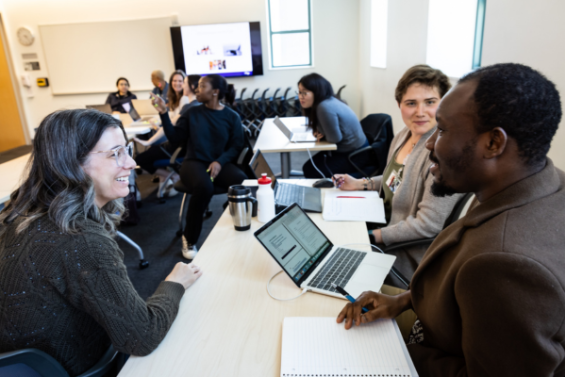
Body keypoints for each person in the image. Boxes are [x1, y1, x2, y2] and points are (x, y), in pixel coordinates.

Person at [337, 63, 565, 376]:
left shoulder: (504, 263)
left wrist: (394, 357)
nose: (429, 143)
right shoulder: (541, 184)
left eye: (442, 130)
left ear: (493, 143)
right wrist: (403, 301)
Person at [0, 109, 203, 376]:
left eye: (127, 151)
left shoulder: (18, 211)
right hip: (78, 365)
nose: (131, 164)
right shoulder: (80, 240)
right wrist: (174, 284)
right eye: (115, 153)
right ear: (71, 164)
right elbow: (142, 337)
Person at [334, 65, 461, 286]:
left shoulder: (444, 154)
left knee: (335, 264)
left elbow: (427, 225)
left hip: (404, 255)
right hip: (381, 223)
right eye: (411, 103)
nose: (420, 112)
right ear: (400, 105)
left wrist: (373, 236)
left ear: (443, 103)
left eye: (430, 102)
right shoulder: (404, 135)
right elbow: (395, 180)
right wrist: (360, 184)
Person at [152, 74, 247, 260]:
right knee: (205, 187)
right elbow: (176, 139)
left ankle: (236, 222)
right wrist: (163, 112)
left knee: (242, 182)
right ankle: (189, 237)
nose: (196, 89)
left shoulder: (231, 116)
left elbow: (237, 146)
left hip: (218, 162)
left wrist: (220, 161)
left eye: (202, 86)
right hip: (193, 162)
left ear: (215, 92)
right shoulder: (192, 113)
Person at [135, 74, 201, 197]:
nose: (180, 85)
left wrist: (149, 140)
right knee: (151, 150)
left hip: (178, 149)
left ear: (191, 86)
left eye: (183, 82)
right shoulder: (196, 105)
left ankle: (174, 177)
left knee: (140, 159)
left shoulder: (188, 106)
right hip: (185, 148)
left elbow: (173, 134)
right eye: (175, 81)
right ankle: (167, 178)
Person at [298, 73, 370, 178]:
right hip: (353, 150)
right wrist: (321, 133)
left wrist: (323, 134)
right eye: (299, 92)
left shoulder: (324, 107)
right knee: (308, 167)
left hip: (355, 155)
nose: (301, 97)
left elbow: (334, 139)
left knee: (310, 170)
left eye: (305, 93)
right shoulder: (328, 100)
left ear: (317, 92)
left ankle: (325, 192)